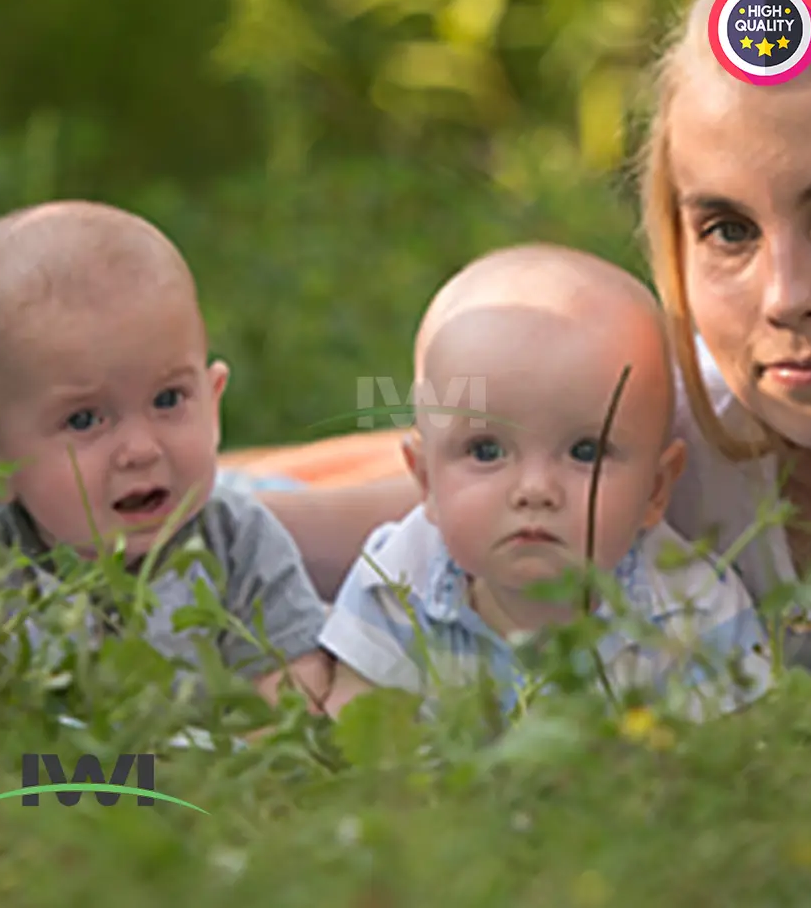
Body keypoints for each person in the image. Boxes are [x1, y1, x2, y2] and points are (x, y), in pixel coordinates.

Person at [0, 0, 811, 677]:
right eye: (726, 230)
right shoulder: (687, 423)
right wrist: (25, 463)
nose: (785, 296)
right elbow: (343, 515)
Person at [320, 243, 772, 718]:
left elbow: (739, 761)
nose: (535, 489)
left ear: (656, 490)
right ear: (426, 480)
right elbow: (359, 740)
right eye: (487, 451)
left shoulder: (692, 610)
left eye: (586, 452)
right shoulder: (397, 581)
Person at [0, 200, 332, 707]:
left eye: (168, 400)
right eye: (84, 420)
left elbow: (294, 689)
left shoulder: (237, 544)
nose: (140, 450)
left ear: (213, 404)